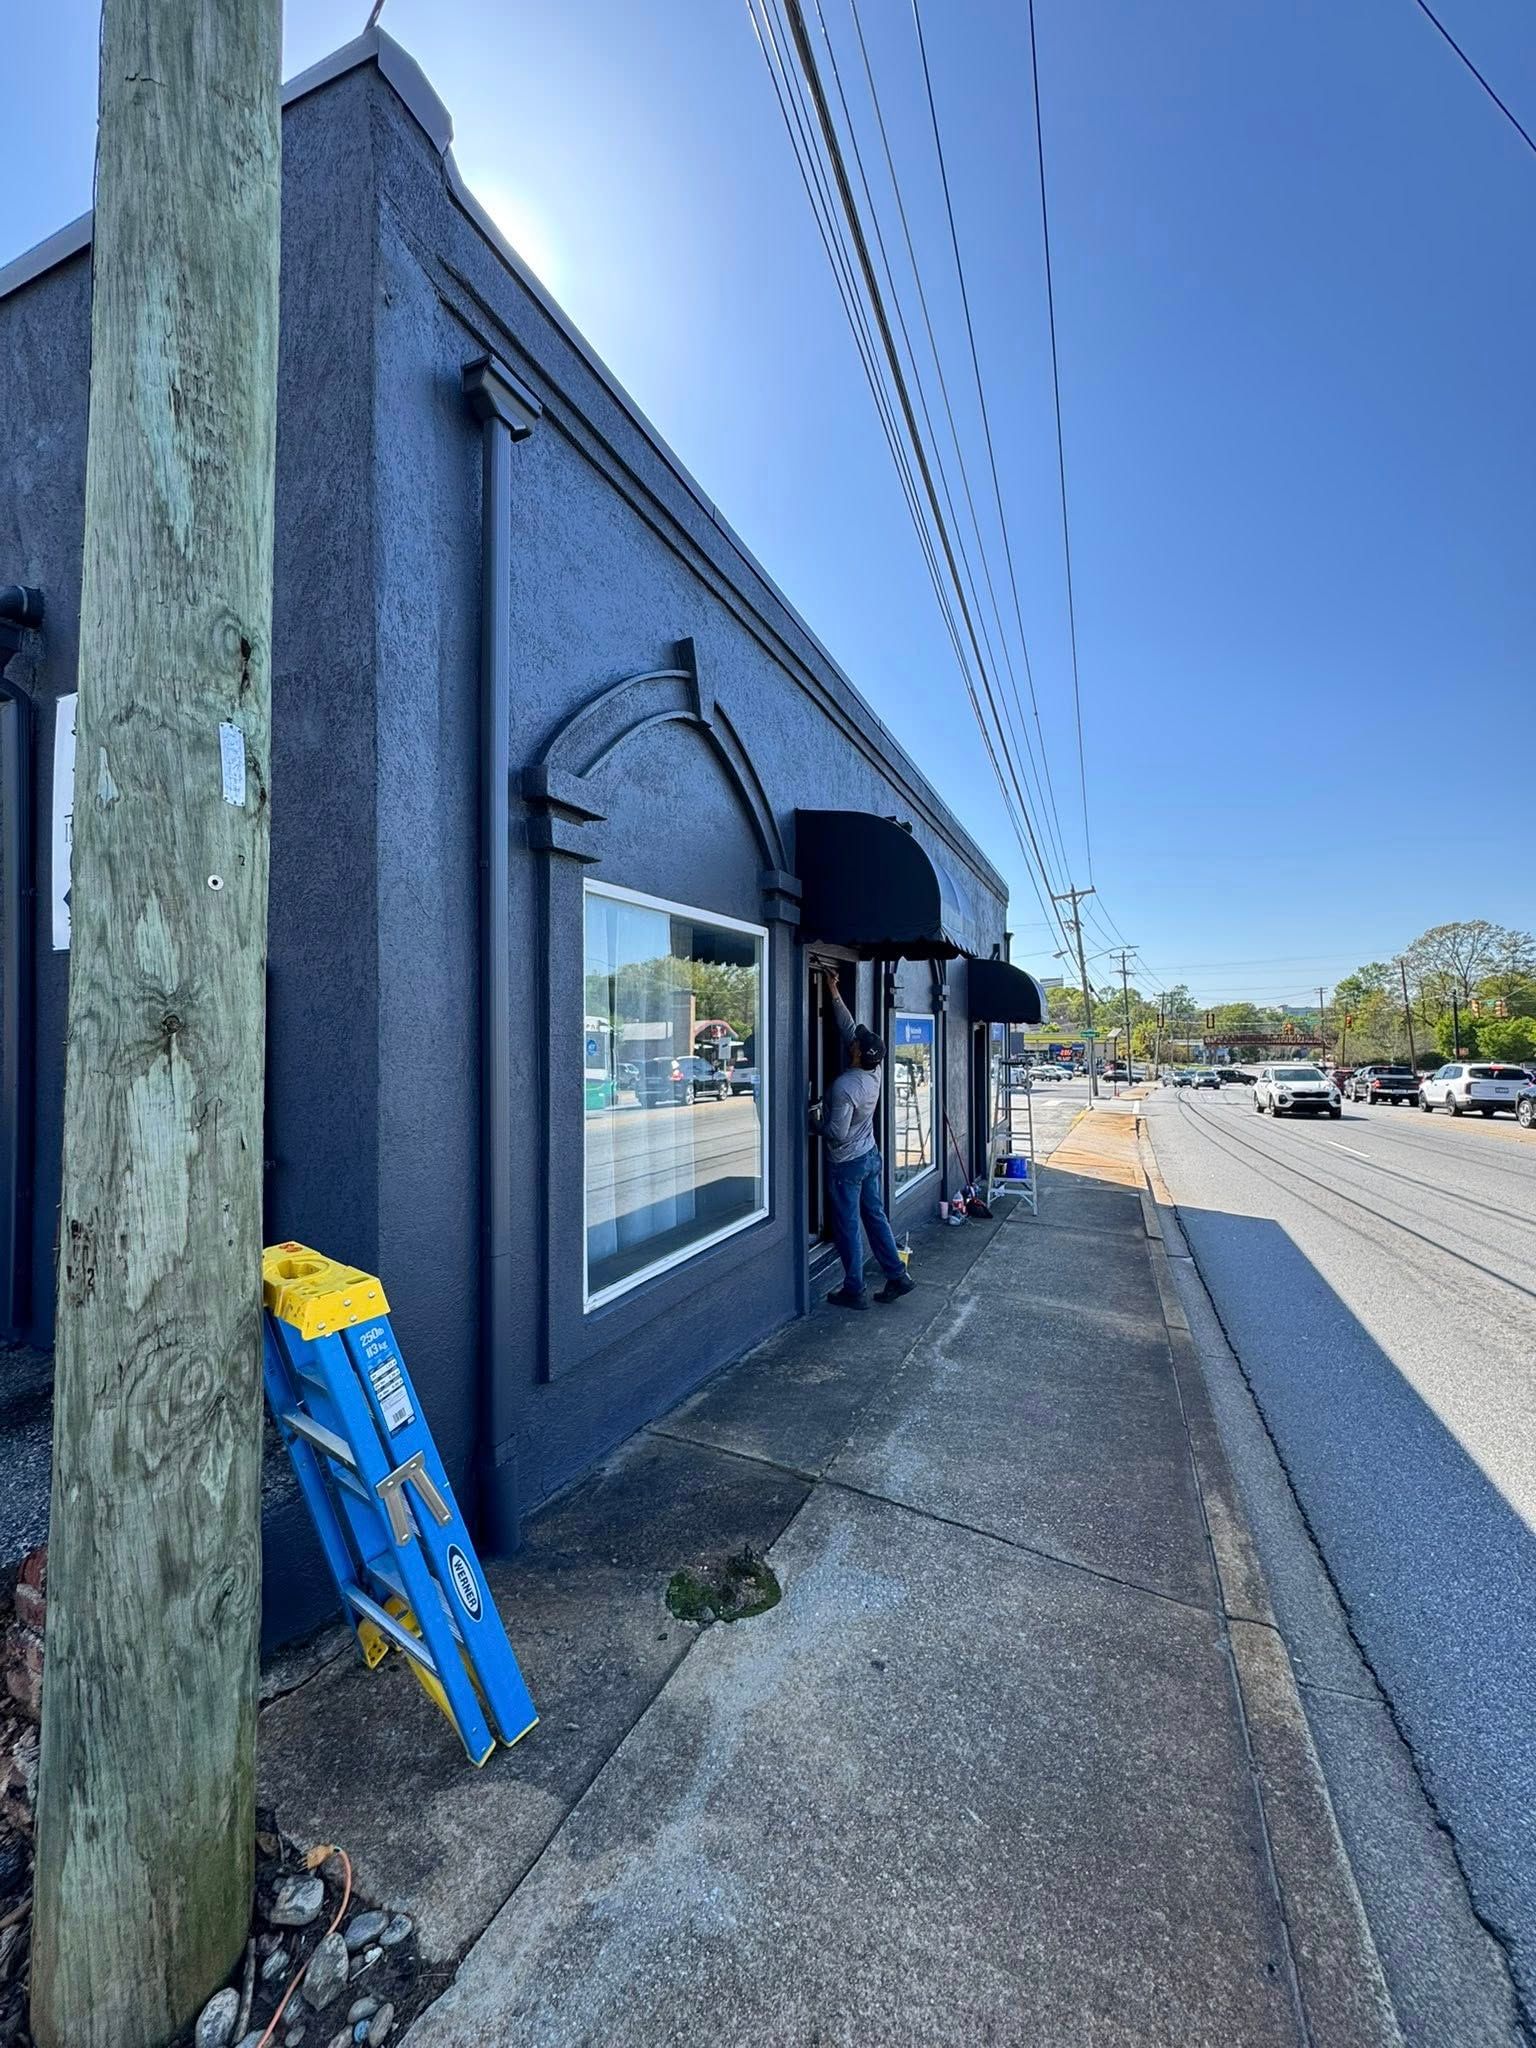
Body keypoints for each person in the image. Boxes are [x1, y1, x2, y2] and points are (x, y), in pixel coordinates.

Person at [814, 965, 915, 1310]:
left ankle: (853, 1289)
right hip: (871, 1156)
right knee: (875, 1216)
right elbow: (848, 1027)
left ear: (856, 1052)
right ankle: (897, 1276)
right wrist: (833, 991)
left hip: (848, 1164)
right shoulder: (874, 1068)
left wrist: (812, 1121)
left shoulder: (844, 1087)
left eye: (855, 1042)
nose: (852, 1038)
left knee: (848, 1226)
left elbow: (837, 1134)